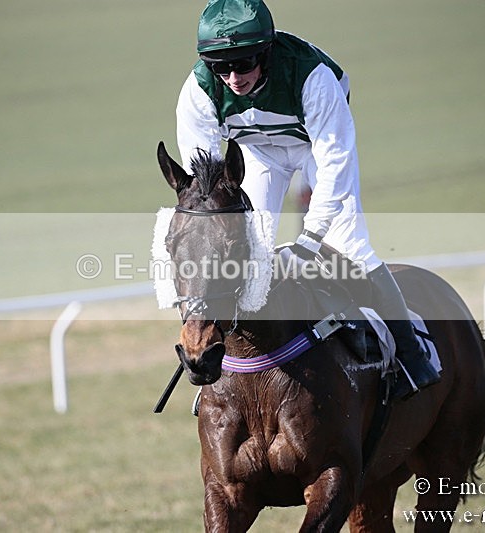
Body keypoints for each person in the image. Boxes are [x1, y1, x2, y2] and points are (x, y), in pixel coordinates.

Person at [175, 0, 439, 398]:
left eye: (244, 63)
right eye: (220, 66)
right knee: (249, 250)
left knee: (352, 248)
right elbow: (209, 181)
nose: (233, 77)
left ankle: (411, 356)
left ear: (265, 51)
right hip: (257, 153)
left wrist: (310, 239)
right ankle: (227, 359)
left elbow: (335, 163)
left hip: (316, 148)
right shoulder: (198, 90)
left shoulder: (311, 76)